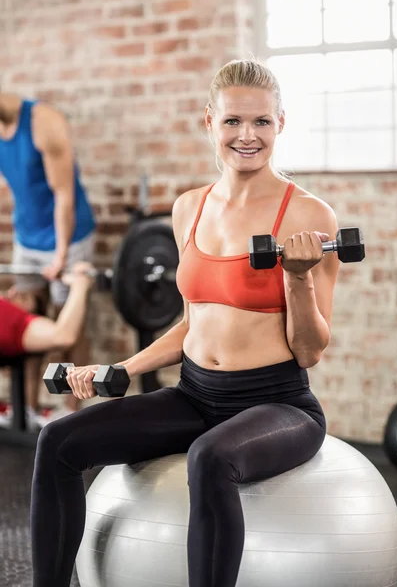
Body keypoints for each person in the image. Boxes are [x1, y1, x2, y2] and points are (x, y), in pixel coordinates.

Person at [30, 59, 340, 587]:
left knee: (211, 458)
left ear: (281, 124)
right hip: (195, 395)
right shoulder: (187, 209)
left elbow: (310, 351)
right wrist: (125, 367)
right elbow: (191, 322)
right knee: (58, 440)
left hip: (278, 404)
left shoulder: (309, 216)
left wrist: (297, 279)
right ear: (209, 122)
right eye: (232, 122)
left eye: (262, 122)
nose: (247, 136)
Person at [0, 93, 96, 426]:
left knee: (69, 322)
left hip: (66, 235)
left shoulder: (44, 123)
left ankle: (73, 408)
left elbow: (64, 195)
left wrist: (60, 254)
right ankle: (24, 407)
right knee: (25, 317)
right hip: (26, 236)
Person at [0, 263, 95, 429]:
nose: (15, 292)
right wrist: (80, 284)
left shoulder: (11, 318)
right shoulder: (9, 317)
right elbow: (64, 336)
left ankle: (28, 410)